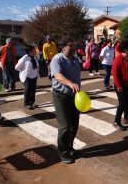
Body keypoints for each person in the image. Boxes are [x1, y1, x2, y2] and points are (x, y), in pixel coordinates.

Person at [50, 36, 81, 164]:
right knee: (65, 126)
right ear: (63, 48)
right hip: (61, 96)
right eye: (70, 45)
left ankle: (69, 147)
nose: (73, 47)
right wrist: (70, 83)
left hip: (74, 96)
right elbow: (57, 76)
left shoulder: (75, 59)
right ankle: (63, 152)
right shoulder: (57, 59)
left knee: (74, 124)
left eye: (73, 45)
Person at [112, 39, 128, 131]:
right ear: (126, 49)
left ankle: (126, 118)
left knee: (127, 102)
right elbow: (114, 73)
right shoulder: (119, 58)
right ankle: (116, 122)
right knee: (122, 103)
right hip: (121, 85)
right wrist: (118, 86)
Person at [15, 45, 39, 110]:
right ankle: (27, 103)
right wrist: (23, 71)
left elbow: (36, 67)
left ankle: (32, 102)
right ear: (30, 51)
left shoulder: (35, 57)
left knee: (33, 90)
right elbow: (17, 67)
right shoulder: (24, 58)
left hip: (34, 76)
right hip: (26, 76)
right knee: (28, 89)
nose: (36, 51)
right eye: (34, 50)